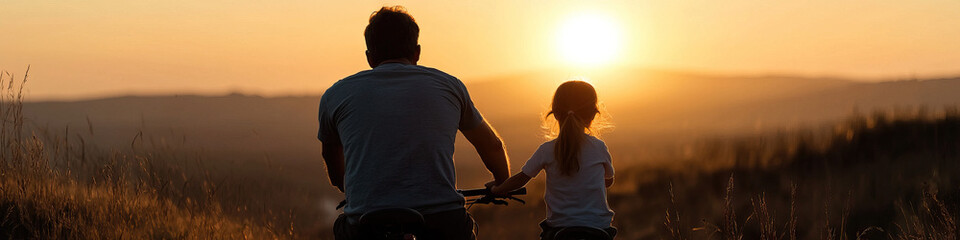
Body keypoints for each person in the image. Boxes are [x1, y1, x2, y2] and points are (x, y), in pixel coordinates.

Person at [317, 6, 510, 240]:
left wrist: (354, 191)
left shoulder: (335, 94)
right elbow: (492, 146)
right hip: (441, 221)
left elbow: (334, 164)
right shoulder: (450, 86)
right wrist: (502, 183)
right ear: (417, 52)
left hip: (367, 223)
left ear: (369, 57)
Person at [489, 80, 617, 239]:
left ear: (555, 114)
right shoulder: (599, 147)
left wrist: (497, 190)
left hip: (559, 230)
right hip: (599, 228)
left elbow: (520, 179)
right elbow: (608, 180)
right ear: (593, 114)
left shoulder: (546, 150)